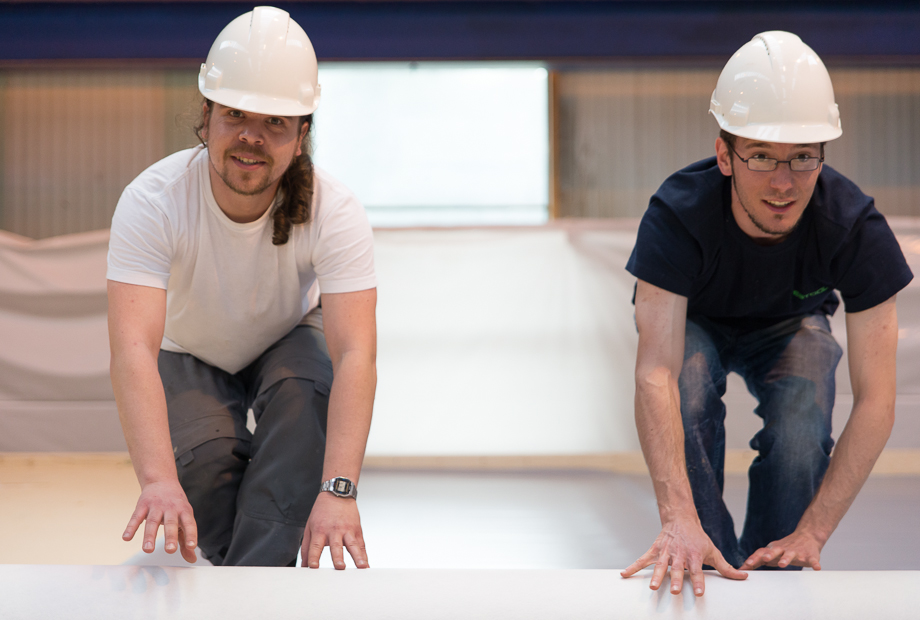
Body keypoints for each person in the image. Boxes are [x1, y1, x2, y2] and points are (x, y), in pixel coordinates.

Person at [620, 31, 912, 596]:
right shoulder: (676, 217)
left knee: (804, 408)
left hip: (787, 324)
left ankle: (774, 569)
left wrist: (814, 533)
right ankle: (704, 557)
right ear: (724, 155)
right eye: (761, 157)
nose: (783, 183)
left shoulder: (853, 228)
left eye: (803, 159)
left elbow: (878, 399)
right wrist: (678, 518)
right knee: (690, 382)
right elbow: (655, 371)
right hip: (695, 321)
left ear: (822, 155)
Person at [106, 6, 377, 568]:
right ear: (207, 117)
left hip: (287, 339)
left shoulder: (335, 211)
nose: (252, 138)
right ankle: (257, 584)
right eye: (236, 115)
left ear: (301, 135)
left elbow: (355, 353)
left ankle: (252, 598)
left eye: (276, 122)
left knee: (302, 419)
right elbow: (133, 348)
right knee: (207, 469)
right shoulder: (152, 202)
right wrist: (157, 479)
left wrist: (339, 490)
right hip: (188, 348)